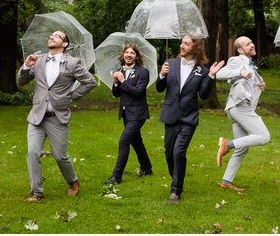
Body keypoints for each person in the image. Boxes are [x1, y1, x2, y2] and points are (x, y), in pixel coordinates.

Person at [18, 30, 97, 202]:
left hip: (57, 117)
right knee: (32, 153)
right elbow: (21, 82)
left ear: (65, 44)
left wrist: (71, 96)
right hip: (37, 117)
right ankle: (36, 192)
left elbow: (90, 82)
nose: (51, 37)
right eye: (51, 35)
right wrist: (26, 66)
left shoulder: (73, 63)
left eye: (56, 36)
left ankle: (73, 181)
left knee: (60, 155)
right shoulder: (37, 62)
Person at [155, 34, 224, 204]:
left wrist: (211, 76)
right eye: (182, 43)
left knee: (179, 152)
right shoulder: (170, 64)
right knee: (169, 152)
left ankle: (175, 191)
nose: (182, 46)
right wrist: (162, 75)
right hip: (170, 115)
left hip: (188, 117)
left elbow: (204, 94)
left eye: (186, 43)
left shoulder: (202, 70)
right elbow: (159, 88)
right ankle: (176, 177)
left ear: (195, 47)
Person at [214, 36, 270, 191]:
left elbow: (249, 84)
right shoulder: (237, 60)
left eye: (252, 42)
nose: (252, 45)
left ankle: (226, 181)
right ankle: (227, 145)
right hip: (239, 107)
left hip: (236, 108)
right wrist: (240, 72)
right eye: (248, 44)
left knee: (243, 148)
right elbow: (220, 74)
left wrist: (259, 85)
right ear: (240, 50)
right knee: (264, 137)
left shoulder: (251, 65)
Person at [102, 43, 153, 185]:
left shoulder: (143, 72)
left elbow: (138, 92)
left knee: (124, 140)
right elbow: (116, 94)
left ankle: (116, 176)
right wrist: (116, 82)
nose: (129, 55)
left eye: (132, 53)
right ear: (123, 55)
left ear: (136, 57)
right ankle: (147, 168)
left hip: (138, 114)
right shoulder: (119, 70)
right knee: (136, 142)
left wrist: (123, 80)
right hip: (125, 113)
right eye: (126, 52)